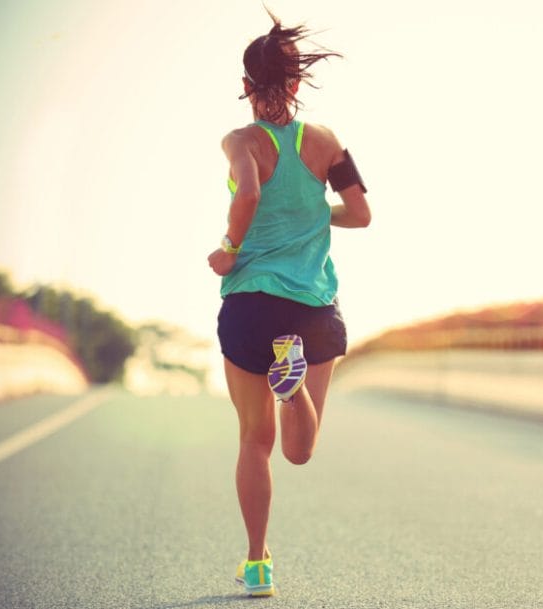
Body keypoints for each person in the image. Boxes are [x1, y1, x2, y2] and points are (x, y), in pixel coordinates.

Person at [207, 11, 371, 598]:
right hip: (313, 310)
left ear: (246, 85)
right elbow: (362, 213)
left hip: (252, 304)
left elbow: (248, 191)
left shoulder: (240, 141)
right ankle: (293, 385)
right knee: (300, 450)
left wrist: (230, 248)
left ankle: (257, 564)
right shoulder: (326, 142)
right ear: (298, 84)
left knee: (256, 441)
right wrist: (313, 214)